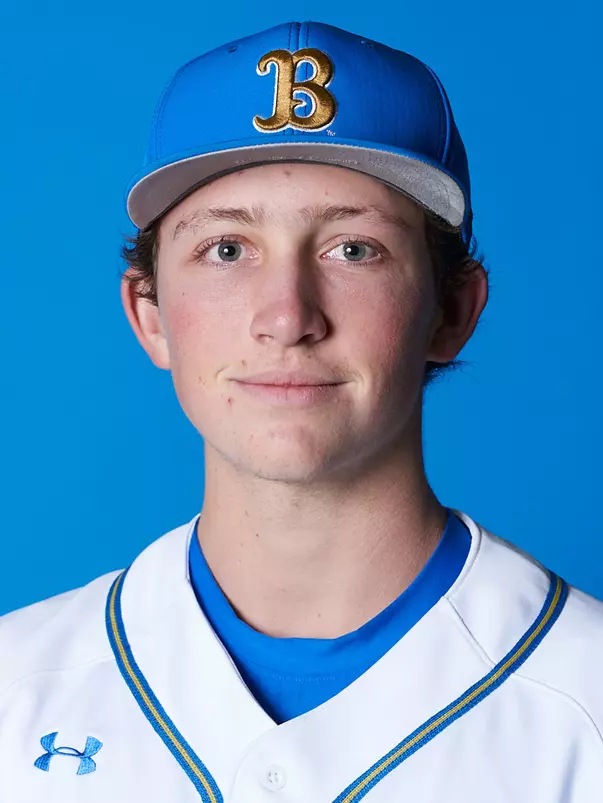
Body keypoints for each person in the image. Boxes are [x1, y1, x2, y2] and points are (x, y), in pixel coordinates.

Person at [0, 20, 601, 803]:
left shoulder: (583, 701)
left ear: (452, 309)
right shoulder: (17, 689)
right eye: (226, 250)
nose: (286, 317)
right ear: (148, 313)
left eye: (352, 249)